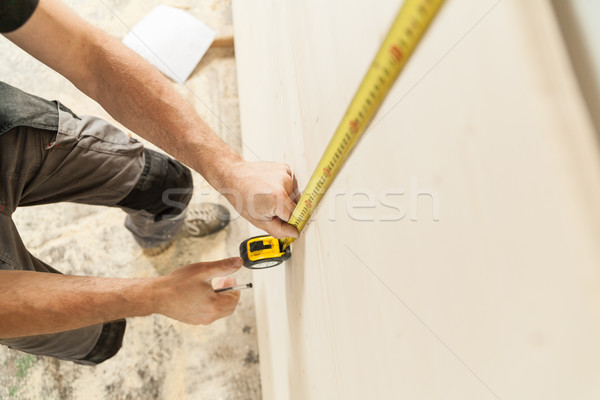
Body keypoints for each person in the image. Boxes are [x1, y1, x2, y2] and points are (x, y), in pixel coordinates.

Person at [0, 0, 299, 365]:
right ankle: (110, 325)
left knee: (164, 183)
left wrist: (227, 168)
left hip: (6, 135)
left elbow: (86, 52)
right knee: (101, 334)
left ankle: (157, 242)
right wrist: (155, 295)